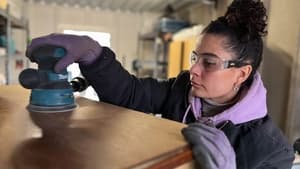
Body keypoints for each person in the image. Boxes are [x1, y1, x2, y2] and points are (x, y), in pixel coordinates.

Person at [26, 0, 295, 168]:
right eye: (195, 57)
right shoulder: (180, 92)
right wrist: (95, 56)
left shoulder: (272, 151)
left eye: (209, 62)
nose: (194, 69)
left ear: (242, 74)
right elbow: (130, 93)